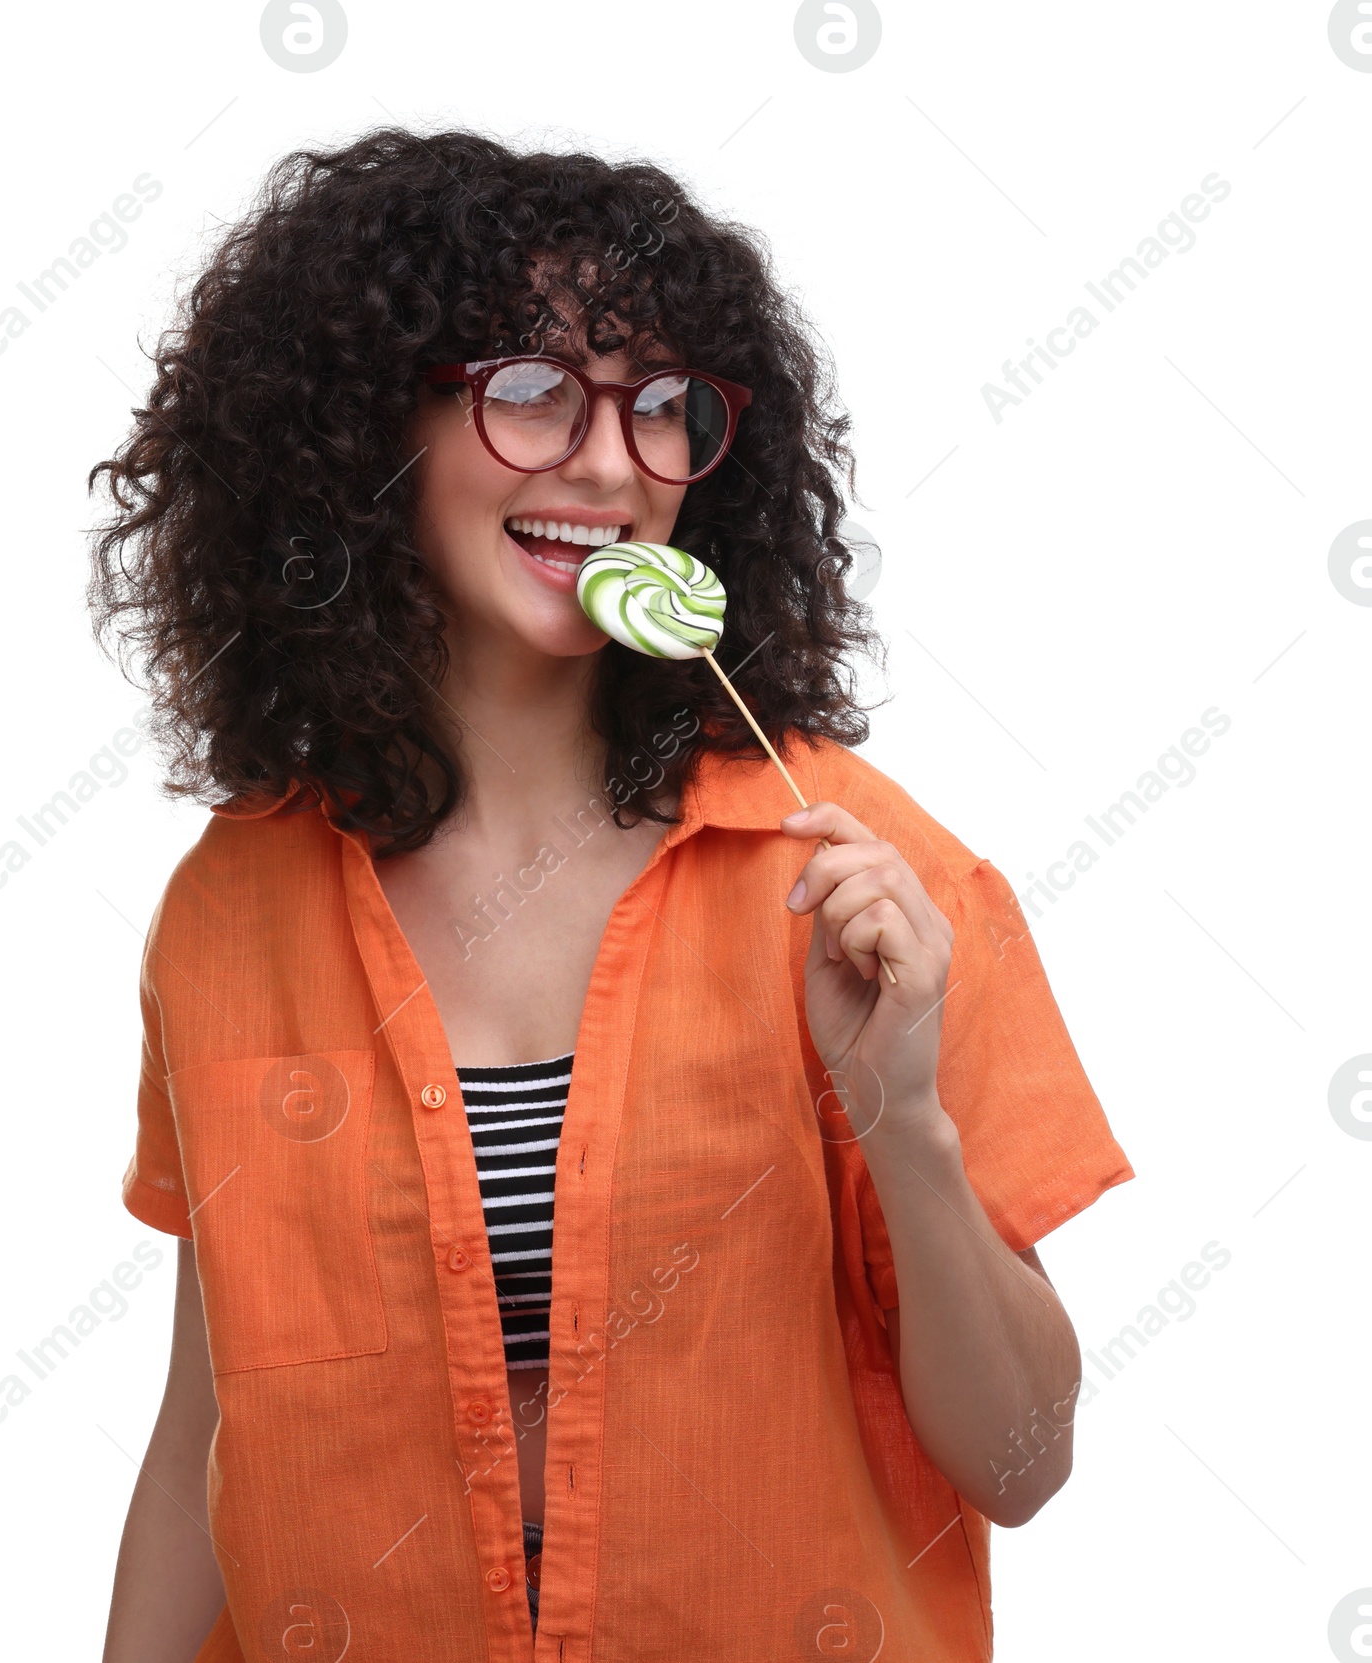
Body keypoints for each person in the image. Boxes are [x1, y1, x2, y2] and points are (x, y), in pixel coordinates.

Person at [90, 127, 1133, 1663]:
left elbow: (1025, 1463)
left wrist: (902, 1121)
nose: (605, 461)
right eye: (526, 390)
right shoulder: (231, 907)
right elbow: (209, 1434)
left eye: (662, 407)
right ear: (364, 431)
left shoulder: (845, 870)